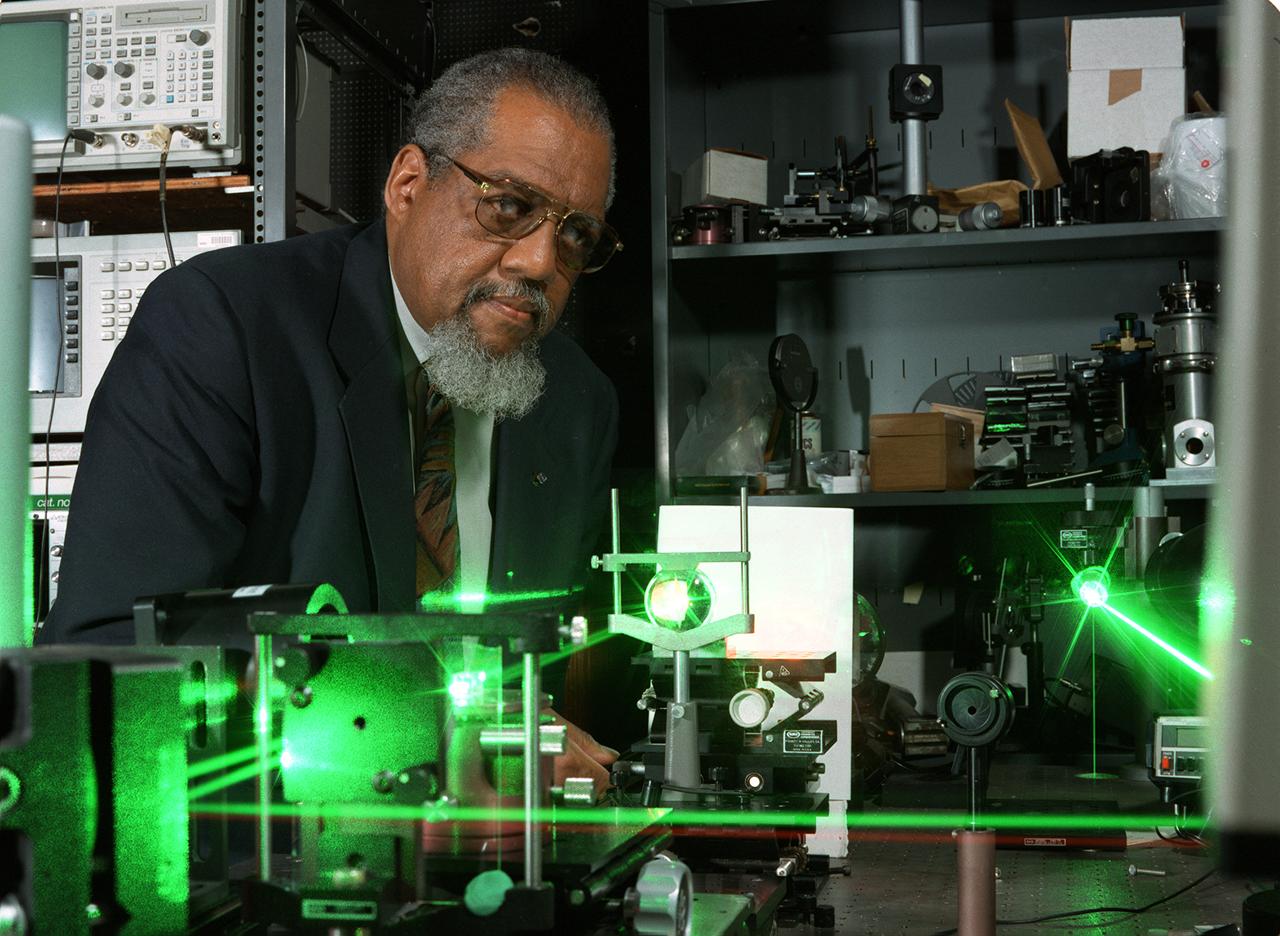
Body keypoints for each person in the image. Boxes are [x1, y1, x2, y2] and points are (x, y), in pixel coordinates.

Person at [41, 48, 623, 786]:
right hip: (270, 853)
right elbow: (111, 655)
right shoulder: (224, 328)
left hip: (486, 853)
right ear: (408, 184)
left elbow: (546, 667)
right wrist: (436, 732)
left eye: (575, 235)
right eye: (508, 208)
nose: (542, 261)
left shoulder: (575, 403)